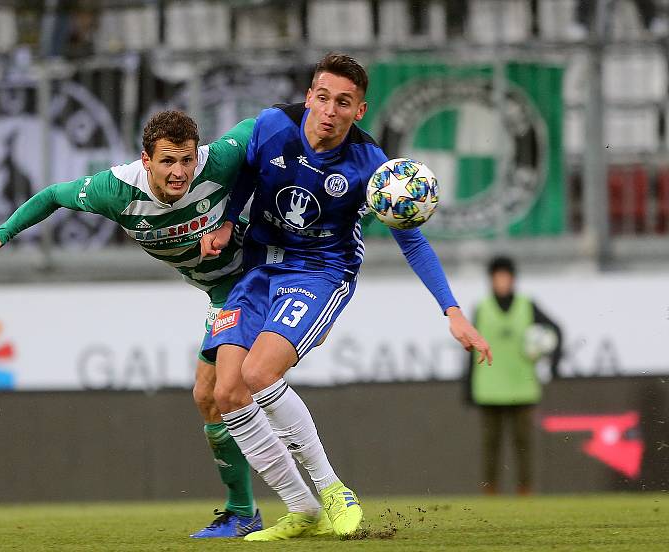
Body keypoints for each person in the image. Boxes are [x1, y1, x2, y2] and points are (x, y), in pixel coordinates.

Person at [200, 52, 491, 541]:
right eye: (323, 97)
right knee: (226, 394)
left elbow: (412, 239)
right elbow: (248, 172)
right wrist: (230, 219)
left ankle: (333, 490)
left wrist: (453, 311)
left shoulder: (371, 165)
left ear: (360, 110)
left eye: (344, 102)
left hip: (320, 273)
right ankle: (302, 510)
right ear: (310, 94)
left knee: (257, 373)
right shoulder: (272, 125)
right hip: (259, 268)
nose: (330, 110)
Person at [0, 111, 266, 538]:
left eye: (186, 161)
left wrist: (333, 128)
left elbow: (267, 122)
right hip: (219, 293)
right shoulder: (117, 190)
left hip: (258, 275)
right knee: (210, 398)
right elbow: (52, 195)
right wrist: (1, 235)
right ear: (146, 160)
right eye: (167, 162)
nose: (179, 173)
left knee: (226, 391)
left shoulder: (218, 160)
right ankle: (245, 512)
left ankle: (300, 501)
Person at [467, 255, 562, 496]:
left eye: (505, 276)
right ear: (491, 280)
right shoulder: (482, 308)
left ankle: (525, 489)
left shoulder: (527, 305)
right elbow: (470, 350)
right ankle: (490, 490)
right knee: (491, 444)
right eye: (497, 277)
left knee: (524, 443)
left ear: (512, 279)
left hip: (522, 385)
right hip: (489, 386)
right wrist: (467, 386)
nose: (501, 281)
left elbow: (556, 330)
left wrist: (553, 364)